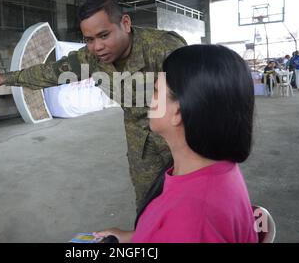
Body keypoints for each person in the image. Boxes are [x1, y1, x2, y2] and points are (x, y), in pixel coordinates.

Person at [0, 0, 187, 209]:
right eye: (89, 39)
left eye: (104, 35)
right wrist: (5, 78)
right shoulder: (91, 59)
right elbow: (50, 73)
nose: (97, 47)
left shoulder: (163, 48)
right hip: (139, 142)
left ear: (125, 23)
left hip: (180, 137)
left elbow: (197, 97)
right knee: (147, 204)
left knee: (189, 200)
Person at [93, 45, 258, 243]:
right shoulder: (213, 169)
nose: (150, 100)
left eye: (155, 91)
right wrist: (131, 237)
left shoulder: (193, 221)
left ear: (178, 112)